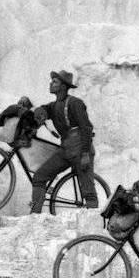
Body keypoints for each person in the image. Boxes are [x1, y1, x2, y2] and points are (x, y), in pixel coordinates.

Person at [29, 70, 97, 211]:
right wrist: (35, 109)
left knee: (88, 191)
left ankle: (93, 225)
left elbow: (86, 128)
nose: (51, 83)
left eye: (55, 81)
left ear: (64, 86)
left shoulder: (76, 103)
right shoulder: (54, 106)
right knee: (40, 176)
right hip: (66, 149)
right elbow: (43, 110)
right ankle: (35, 216)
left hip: (80, 149)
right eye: (52, 81)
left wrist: (85, 153)